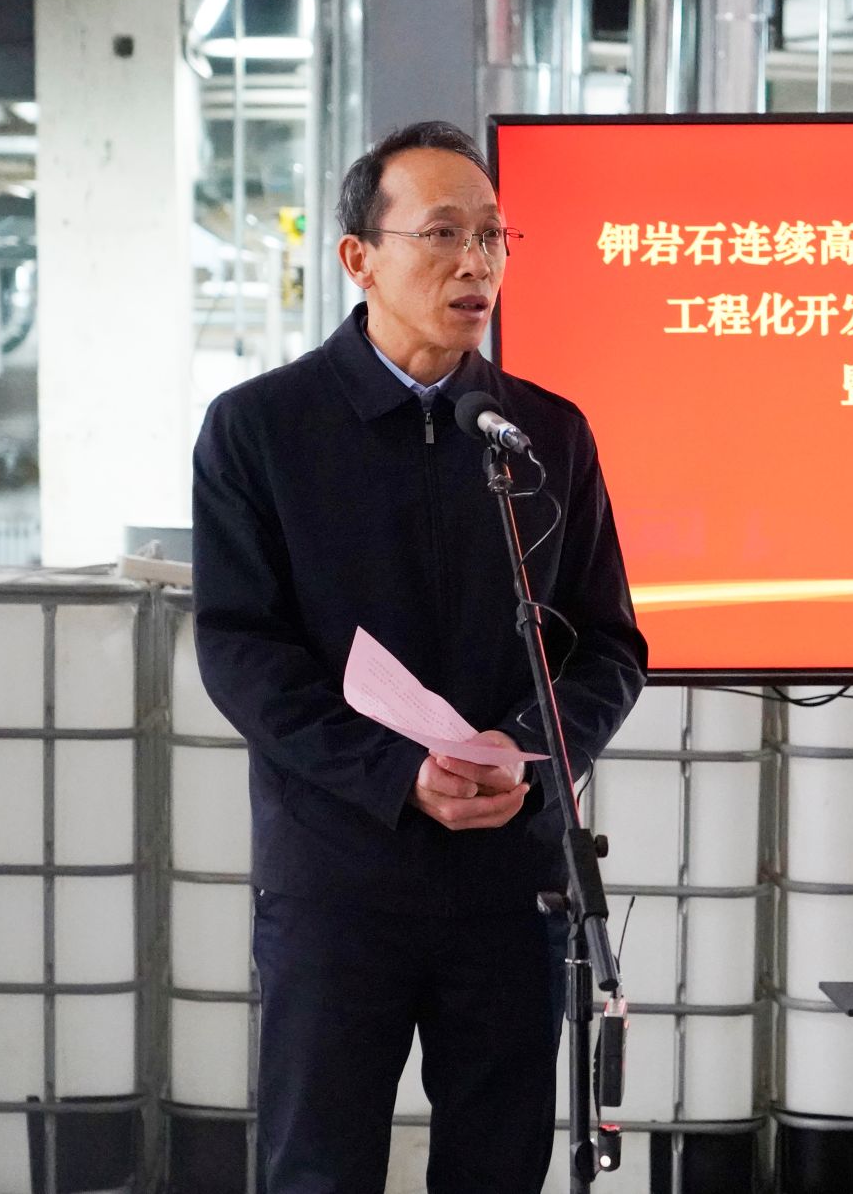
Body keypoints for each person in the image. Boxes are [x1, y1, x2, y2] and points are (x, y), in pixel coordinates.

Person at [192, 120, 648, 1193]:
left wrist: (525, 749)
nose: (475, 262)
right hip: (338, 876)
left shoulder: (543, 433)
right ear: (359, 256)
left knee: (497, 1167)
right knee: (318, 1167)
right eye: (443, 233)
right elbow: (241, 652)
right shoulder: (261, 429)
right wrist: (398, 773)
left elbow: (609, 645)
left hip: (510, 879)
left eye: (492, 236)